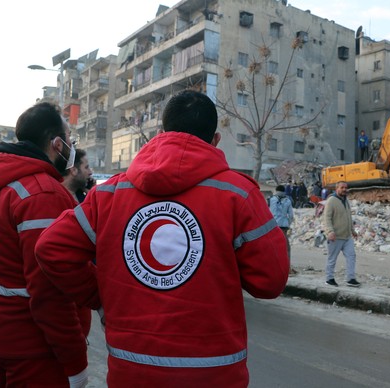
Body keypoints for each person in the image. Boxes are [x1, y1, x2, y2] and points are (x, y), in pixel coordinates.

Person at [35, 90, 289, 387]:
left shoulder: (108, 194)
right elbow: (270, 282)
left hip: (131, 373)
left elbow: (51, 248)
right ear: (215, 139)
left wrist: (99, 296)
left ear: (160, 133)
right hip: (215, 375)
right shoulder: (239, 194)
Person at [0, 101, 91, 387]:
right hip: (36, 349)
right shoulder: (41, 193)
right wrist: (76, 363)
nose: (72, 147)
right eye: (70, 140)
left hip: (0, 335)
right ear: (57, 144)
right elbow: (50, 291)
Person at [323, 181, 360, 287]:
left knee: (351, 256)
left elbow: (349, 217)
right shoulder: (331, 200)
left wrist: (352, 231)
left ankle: (350, 278)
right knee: (332, 258)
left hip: (347, 236)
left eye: (345, 188)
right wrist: (330, 232)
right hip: (335, 236)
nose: (344, 189)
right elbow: (326, 218)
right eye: (342, 187)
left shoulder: (345, 201)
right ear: (337, 188)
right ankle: (329, 279)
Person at [269, 185, 294, 259]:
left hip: (273, 226)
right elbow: (291, 215)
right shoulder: (287, 200)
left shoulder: (271, 199)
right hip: (283, 226)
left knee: (273, 245)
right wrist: (288, 223)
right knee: (286, 246)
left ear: (276, 191)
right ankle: (287, 264)